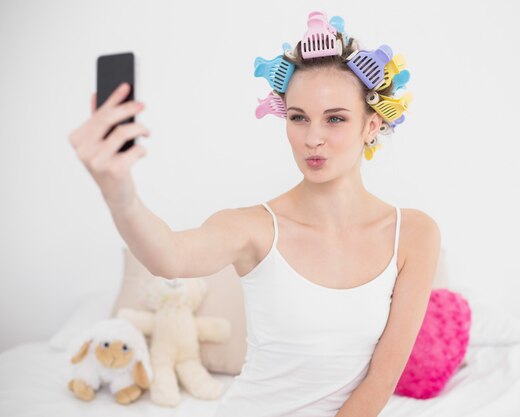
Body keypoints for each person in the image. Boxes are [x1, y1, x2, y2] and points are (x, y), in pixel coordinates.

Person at [68, 10, 440, 417]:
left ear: (371, 125)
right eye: (299, 118)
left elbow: (381, 380)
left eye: (335, 118)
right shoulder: (253, 228)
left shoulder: (414, 234)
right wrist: (119, 194)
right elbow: (169, 256)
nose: (312, 138)